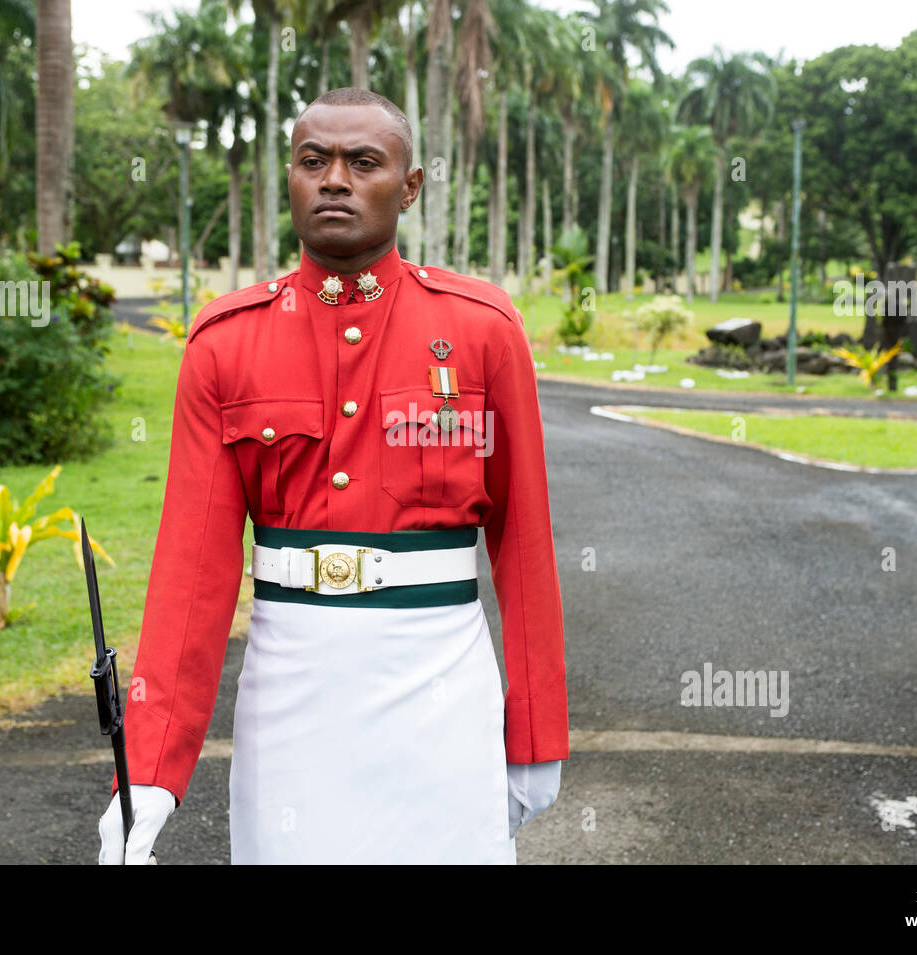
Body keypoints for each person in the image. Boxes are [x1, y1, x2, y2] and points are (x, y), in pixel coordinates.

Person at [97, 87, 568, 865]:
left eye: (363, 162)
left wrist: (536, 732)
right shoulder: (225, 343)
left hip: (441, 681)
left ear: (409, 186)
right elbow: (192, 574)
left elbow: (524, 545)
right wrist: (147, 772)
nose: (335, 180)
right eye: (313, 161)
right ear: (290, 177)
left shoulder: (481, 331)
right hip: (292, 683)